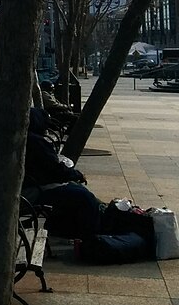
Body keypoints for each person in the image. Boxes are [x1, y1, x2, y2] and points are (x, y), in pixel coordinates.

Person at [22, 108, 153, 263]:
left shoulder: (30, 139)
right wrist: (76, 174)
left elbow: (51, 169)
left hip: (33, 185)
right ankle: (91, 239)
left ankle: (70, 229)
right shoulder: (36, 142)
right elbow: (55, 170)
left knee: (79, 193)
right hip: (32, 190)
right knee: (84, 196)